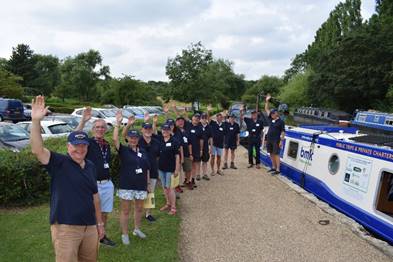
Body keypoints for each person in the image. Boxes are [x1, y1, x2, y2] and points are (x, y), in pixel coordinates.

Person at [30, 96, 104, 262]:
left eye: (83, 145)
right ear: (68, 146)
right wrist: (35, 122)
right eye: (75, 146)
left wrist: (99, 224)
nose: (80, 149)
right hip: (66, 228)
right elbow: (37, 149)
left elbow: (95, 197)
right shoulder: (59, 163)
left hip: (90, 226)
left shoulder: (91, 166)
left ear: (87, 146)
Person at [75, 106, 116, 247]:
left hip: (107, 183)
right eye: (97, 127)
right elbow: (75, 136)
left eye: (102, 127)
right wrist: (83, 121)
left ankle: (102, 236)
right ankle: (88, 239)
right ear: (93, 129)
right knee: (89, 213)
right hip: (93, 184)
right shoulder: (89, 143)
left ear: (105, 129)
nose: (100, 129)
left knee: (104, 213)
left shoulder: (106, 145)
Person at [113, 111, 151, 244]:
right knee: (125, 210)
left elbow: (146, 168)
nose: (133, 140)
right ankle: (124, 234)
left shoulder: (143, 151)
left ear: (138, 139)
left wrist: (147, 183)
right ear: (128, 138)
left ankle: (137, 229)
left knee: (139, 208)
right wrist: (122, 124)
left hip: (141, 185)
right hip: (126, 185)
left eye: (135, 138)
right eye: (131, 138)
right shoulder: (123, 150)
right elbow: (115, 139)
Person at [123, 118, 160, 223]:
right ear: (142, 130)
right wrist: (128, 125)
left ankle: (148, 213)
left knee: (150, 193)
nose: (148, 130)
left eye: (149, 129)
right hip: (138, 172)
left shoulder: (156, 141)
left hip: (152, 172)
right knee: (138, 193)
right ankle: (138, 211)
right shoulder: (137, 140)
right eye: (145, 128)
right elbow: (124, 136)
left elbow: (158, 156)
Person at [157, 123, 181, 215]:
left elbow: (177, 156)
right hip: (161, 168)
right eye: (163, 130)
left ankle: (173, 207)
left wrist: (177, 169)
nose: (165, 131)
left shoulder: (174, 141)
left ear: (170, 131)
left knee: (170, 188)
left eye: (167, 130)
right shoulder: (160, 140)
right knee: (164, 187)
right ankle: (168, 203)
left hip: (170, 169)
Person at [265, 94, 286, 175]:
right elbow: (266, 109)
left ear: (276, 114)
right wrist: (267, 101)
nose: (272, 114)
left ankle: (278, 169)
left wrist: (281, 141)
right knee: (270, 153)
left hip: (276, 140)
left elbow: (283, 131)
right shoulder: (271, 119)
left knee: (276, 154)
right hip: (269, 139)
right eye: (271, 113)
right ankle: (273, 167)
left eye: (273, 113)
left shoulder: (281, 121)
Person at [174, 116, 193, 189]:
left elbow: (190, 143)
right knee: (177, 170)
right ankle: (176, 185)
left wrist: (191, 154)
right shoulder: (174, 131)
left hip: (186, 153)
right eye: (179, 121)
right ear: (176, 123)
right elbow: (168, 125)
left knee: (188, 169)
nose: (181, 122)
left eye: (182, 121)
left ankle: (187, 181)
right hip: (177, 154)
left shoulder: (187, 131)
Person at [187, 113, 203, 181]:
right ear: (192, 120)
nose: (195, 120)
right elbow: (182, 119)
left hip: (196, 149)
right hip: (187, 149)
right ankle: (187, 179)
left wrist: (201, 150)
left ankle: (192, 179)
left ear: (198, 120)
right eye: (194, 119)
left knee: (194, 165)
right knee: (187, 166)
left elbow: (201, 140)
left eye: (196, 119)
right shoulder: (188, 126)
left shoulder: (200, 128)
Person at [209, 111, 226, 176]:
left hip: (220, 144)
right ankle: (212, 170)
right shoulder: (213, 123)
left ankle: (218, 169)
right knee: (212, 157)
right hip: (213, 143)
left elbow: (225, 134)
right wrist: (209, 111)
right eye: (218, 117)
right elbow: (208, 118)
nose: (219, 118)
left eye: (221, 117)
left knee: (219, 157)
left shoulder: (224, 124)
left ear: (222, 118)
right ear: (216, 118)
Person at [199, 112, 212, 180]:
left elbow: (210, 138)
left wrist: (211, 147)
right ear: (200, 119)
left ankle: (204, 174)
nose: (204, 119)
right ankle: (198, 174)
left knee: (205, 161)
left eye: (205, 118)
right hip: (197, 147)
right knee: (197, 161)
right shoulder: (198, 125)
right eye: (202, 118)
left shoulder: (209, 127)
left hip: (206, 146)